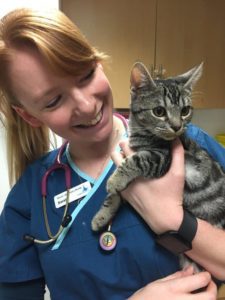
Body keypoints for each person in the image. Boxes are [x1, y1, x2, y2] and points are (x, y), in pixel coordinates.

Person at [0, 7, 222, 300]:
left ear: (99, 62)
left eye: (86, 74)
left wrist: (173, 220)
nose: (87, 105)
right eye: (54, 100)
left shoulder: (189, 145)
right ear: (30, 116)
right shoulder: (28, 198)